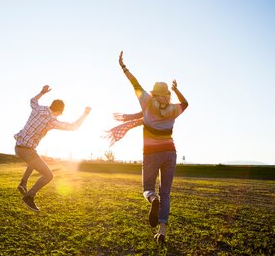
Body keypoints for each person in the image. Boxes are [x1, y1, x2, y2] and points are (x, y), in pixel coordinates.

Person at [105, 51, 188, 243]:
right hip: (170, 153)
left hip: (151, 154)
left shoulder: (148, 101)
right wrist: (176, 90)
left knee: (148, 188)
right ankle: (162, 231)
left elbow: (134, 83)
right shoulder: (173, 108)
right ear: (166, 94)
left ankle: (153, 200)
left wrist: (123, 67)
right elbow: (185, 103)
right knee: (166, 192)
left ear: (153, 92)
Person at [14, 85, 91, 212]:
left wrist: (42, 92)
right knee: (48, 175)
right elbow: (73, 127)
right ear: (60, 112)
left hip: (18, 147)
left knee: (35, 159)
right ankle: (29, 196)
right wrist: (85, 114)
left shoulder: (38, 109)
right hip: (27, 150)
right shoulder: (52, 121)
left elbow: (32, 100)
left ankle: (23, 182)